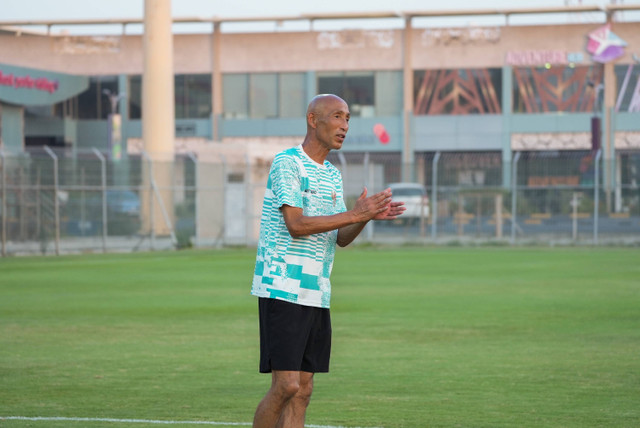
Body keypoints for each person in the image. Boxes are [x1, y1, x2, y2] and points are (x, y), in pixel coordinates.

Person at [250, 94, 405, 428]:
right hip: (282, 287)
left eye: (348, 118)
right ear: (312, 119)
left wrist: (365, 217)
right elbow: (296, 225)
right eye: (337, 116)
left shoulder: (333, 176)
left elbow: (340, 238)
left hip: (316, 291)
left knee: (303, 390)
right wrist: (353, 212)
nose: (345, 126)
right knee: (286, 384)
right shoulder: (287, 163)